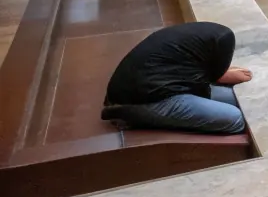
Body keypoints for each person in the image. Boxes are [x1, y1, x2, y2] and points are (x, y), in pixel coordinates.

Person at [101, 23, 251, 134]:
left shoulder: (197, 42)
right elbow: (205, 87)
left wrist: (222, 73)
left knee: (240, 98)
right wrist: (221, 76)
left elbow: (205, 82)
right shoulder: (208, 48)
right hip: (145, 99)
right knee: (235, 119)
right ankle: (133, 115)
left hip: (151, 86)